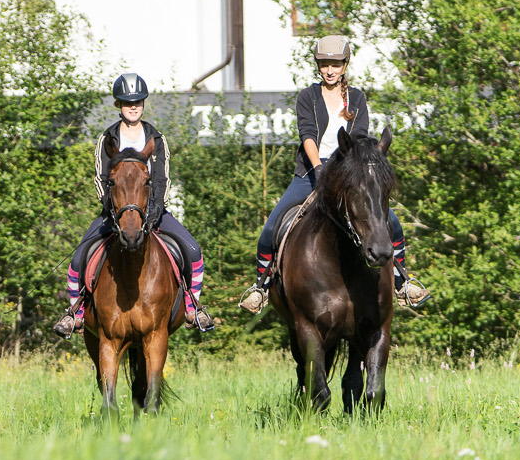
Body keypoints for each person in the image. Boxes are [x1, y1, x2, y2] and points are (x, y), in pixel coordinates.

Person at [240, 35, 426, 315]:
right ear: (318, 65)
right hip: (311, 171)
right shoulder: (307, 97)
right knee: (271, 226)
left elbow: (359, 139)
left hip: (348, 172)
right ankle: (260, 287)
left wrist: (347, 170)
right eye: (324, 64)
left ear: (345, 65)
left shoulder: (357, 98)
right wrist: (318, 168)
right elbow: (307, 136)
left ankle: (402, 282)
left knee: (392, 221)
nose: (329, 70)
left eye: (335, 65)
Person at [52, 73, 212, 338]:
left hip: (153, 213)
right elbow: (101, 179)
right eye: (128, 102)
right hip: (115, 214)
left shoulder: (156, 139)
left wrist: (153, 214)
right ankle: (75, 314)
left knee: (193, 251)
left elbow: (161, 180)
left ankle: (193, 306)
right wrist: (114, 212)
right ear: (119, 105)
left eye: (138, 101)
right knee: (78, 258)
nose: (133, 106)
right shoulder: (108, 139)